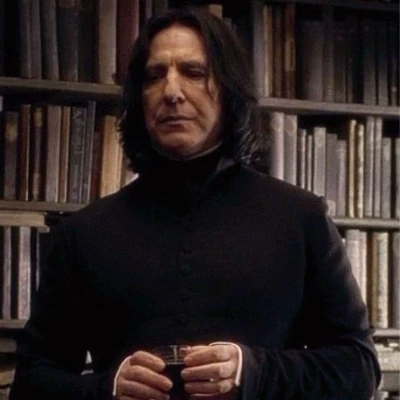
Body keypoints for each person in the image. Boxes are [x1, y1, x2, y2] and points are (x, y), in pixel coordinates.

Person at [10, 7, 381, 400]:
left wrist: (253, 371)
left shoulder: (300, 217)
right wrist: (107, 390)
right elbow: (30, 382)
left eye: (194, 72)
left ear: (229, 88)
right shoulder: (83, 233)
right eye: (155, 76)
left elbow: (359, 368)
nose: (171, 92)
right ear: (139, 97)